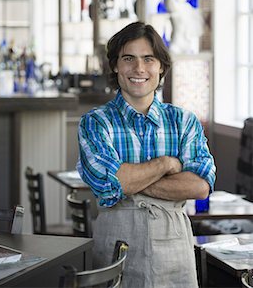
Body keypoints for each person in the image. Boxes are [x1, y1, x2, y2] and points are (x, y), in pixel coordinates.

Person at [77, 21, 216, 288]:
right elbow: (110, 183)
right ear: (115, 65)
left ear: (161, 66)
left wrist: (131, 179)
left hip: (174, 248)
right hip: (115, 247)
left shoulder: (183, 121)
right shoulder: (95, 123)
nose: (139, 69)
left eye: (148, 59)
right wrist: (166, 164)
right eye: (128, 58)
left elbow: (200, 186)